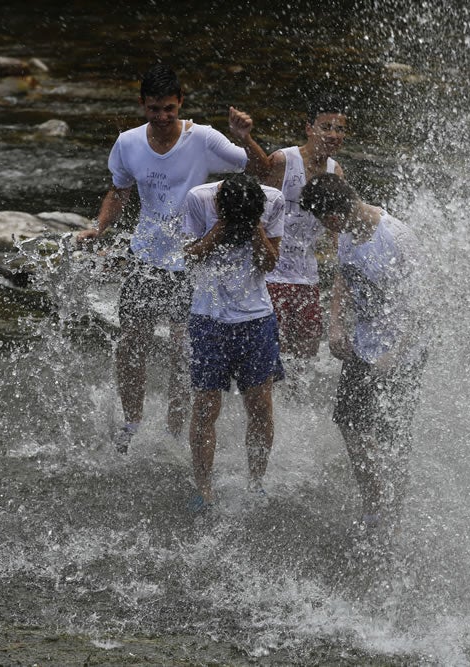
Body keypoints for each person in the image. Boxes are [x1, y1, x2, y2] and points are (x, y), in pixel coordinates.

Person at [76, 63, 256, 452]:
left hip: (191, 260)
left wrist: (245, 137)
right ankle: (132, 422)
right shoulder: (127, 142)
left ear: (181, 105)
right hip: (145, 257)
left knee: (182, 348)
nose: (161, 117)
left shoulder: (203, 139)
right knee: (130, 343)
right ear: (142, 105)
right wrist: (100, 228)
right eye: (154, 109)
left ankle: (176, 426)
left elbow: (255, 167)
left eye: (169, 109)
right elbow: (118, 191)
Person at [299, 173, 426, 532]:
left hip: (403, 353)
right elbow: (344, 276)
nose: (326, 228)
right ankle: (373, 502)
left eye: (325, 221)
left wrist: (394, 356)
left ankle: (396, 514)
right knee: (350, 424)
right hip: (363, 347)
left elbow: (422, 306)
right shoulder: (347, 233)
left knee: (392, 437)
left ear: (336, 215)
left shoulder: (397, 239)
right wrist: (335, 324)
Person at [181, 173, 283, 509]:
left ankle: (255, 483)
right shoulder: (199, 198)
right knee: (206, 407)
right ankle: (204, 489)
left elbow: (269, 263)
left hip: (256, 320)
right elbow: (189, 257)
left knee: (260, 409)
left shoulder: (273, 201)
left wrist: (255, 229)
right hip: (209, 319)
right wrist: (218, 230)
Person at [241, 95, 347, 378]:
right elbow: (257, 175)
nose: (334, 135)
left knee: (304, 362)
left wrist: (349, 264)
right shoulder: (284, 161)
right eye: (326, 127)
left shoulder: (334, 171)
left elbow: (338, 227)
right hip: (270, 277)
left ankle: (292, 415)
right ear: (309, 128)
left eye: (339, 129)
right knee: (267, 358)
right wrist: (244, 138)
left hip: (307, 279)